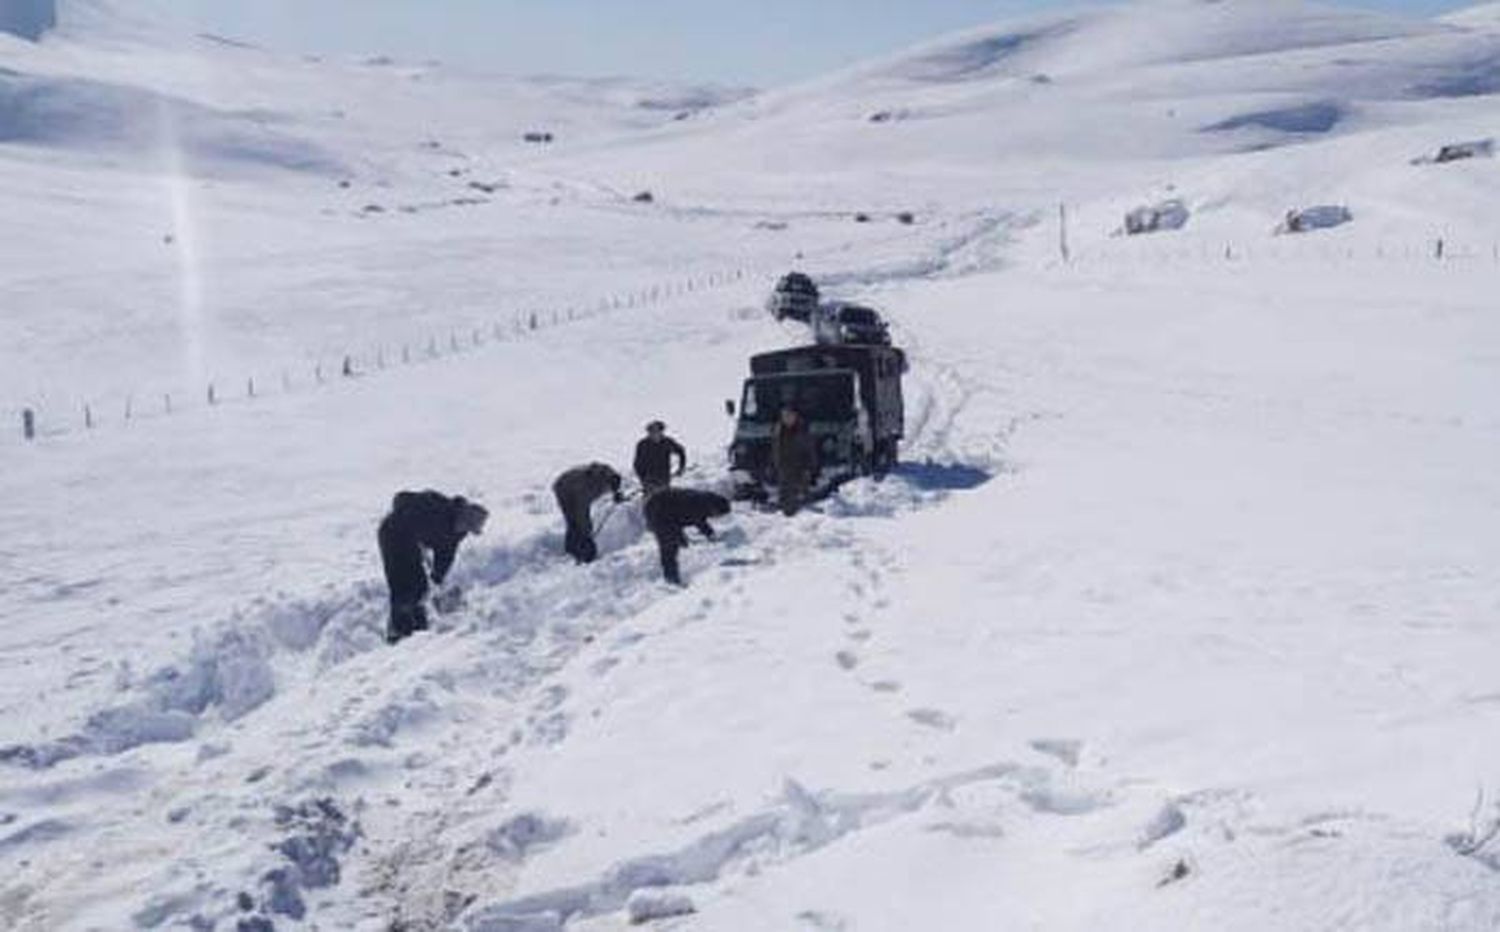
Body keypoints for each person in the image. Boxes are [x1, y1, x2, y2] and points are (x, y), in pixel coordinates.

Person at [378, 490, 489, 644]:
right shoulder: (438, 506)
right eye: (466, 524)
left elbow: (445, 557)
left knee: (421, 586)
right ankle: (397, 631)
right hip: (392, 533)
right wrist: (410, 526)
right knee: (402, 583)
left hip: (413, 544)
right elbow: (400, 498)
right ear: (462, 514)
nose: (464, 529)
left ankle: (418, 628)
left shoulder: (455, 535)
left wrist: (437, 577)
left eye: (469, 529)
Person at [643, 488, 731, 586]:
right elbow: (695, 519)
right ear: (715, 509)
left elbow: (697, 519)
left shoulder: (704, 501)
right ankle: (671, 580)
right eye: (718, 515)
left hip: (661, 507)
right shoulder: (698, 503)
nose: (716, 517)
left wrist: (710, 534)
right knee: (669, 546)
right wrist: (680, 536)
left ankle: (672, 578)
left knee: (673, 541)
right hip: (657, 509)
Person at [553, 463, 625, 564]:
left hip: (574, 484)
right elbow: (581, 512)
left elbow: (615, 486)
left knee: (581, 524)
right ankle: (574, 551)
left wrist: (617, 494)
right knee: (573, 520)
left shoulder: (610, 474)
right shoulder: (589, 488)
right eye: (609, 488)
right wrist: (587, 534)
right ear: (604, 483)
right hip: (563, 488)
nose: (609, 490)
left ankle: (579, 548)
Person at [772, 406, 818, 516]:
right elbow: (775, 449)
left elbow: (810, 450)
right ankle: (784, 512)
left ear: (795, 416)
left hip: (799, 467)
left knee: (800, 492)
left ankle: (801, 514)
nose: (787, 418)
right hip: (783, 467)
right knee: (784, 491)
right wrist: (775, 464)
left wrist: (810, 467)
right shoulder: (778, 431)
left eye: (790, 416)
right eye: (785, 416)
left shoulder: (803, 430)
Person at [633, 420, 687, 494]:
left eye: (657, 431)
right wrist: (642, 478)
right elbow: (637, 463)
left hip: (664, 478)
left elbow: (681, 451)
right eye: (652, 432)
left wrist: (681, 468)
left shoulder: (667, 442)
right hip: (649, 479)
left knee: (664, 500)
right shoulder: (643, 445)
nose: (654, 434)